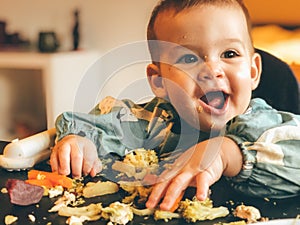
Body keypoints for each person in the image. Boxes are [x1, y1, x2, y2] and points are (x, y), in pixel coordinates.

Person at [50, 0, 300, 212]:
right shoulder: (155, 120)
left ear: (253, 71)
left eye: (229, 54)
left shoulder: (267, 126)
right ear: (159, 82)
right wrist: (79, 140)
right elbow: (102, 122)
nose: (213, 70)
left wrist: (226, 153)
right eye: (189, 58)